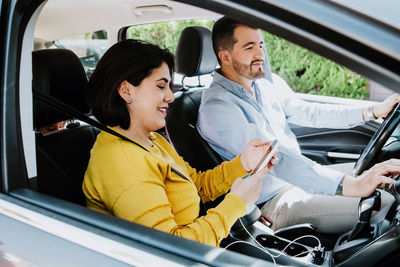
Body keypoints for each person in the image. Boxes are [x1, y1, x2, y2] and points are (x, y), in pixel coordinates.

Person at [197, 16, 400, 234]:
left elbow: (311, 112)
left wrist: (372, 111)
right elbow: (277, 159)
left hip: (302, 183)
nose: (260, 54)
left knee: (390, 173)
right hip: (274, 201)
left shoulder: (265, 86)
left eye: (261, 45)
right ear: (225, 56)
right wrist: (349, 185)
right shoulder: (217, 108)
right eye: (249, 47)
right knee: (386, 202)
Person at [82, 39, 278, 247]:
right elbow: (170, 248)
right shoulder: (123, 162)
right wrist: (237, 203)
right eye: (160, 86)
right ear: (126, 91)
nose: (170, 96)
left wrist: (243, 164)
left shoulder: (151, 140)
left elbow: (196, 186)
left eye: (170, 86)